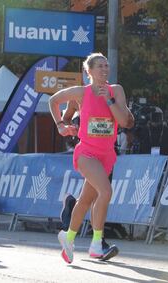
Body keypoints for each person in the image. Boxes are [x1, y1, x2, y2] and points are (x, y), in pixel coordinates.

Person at [49, 53, 134, 264]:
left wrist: (109, 100)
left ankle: (67, 237)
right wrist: (61, 125)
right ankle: (97, 244)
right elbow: (53, 100)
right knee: (105, 191)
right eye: (99, 66)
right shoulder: (81, 92)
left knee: (86, 200)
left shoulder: (117, 90)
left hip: (107, 154)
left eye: (107, 66)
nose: (104, 70)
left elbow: (124, 121)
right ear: (89, 71)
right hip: (86, 152)